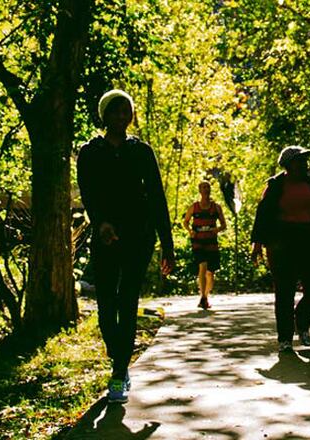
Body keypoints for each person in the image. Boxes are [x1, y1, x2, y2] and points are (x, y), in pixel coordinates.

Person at [77, 89, 175, 404]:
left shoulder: (142, 152)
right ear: (104, 115)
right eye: (115, 111)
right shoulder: (90, 152)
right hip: (106, 236)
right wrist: (102, 222)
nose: (121, 117)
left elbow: (157, 197)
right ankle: (119, 353)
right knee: (106, 306)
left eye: (126, 111)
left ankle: (119, 375)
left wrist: (167, 245)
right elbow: (89, 192)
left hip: (139, 236)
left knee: (128, 300)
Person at [250, 146, 310, 353]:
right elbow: (262, 216)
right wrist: (257, 245)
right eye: (300, 161)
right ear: (289, 165)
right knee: (284, 290)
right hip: (282, 241)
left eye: (305, 162)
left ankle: (302, 320)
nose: (304, 165)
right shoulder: (275, 186)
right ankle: (285, 339)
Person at [183, 181, 227, 309]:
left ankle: (205, 296)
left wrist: (217, 230)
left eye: (208, 187)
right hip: (198, 241)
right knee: (202, 266)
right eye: (203, 187)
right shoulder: (194, 207)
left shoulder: (216, 207)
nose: (206, 189)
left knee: (210, 273)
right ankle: (202, 296)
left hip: (211, 241)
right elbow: (185, 222)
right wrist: (190, 231)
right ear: (199, 190)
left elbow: (224, 224)